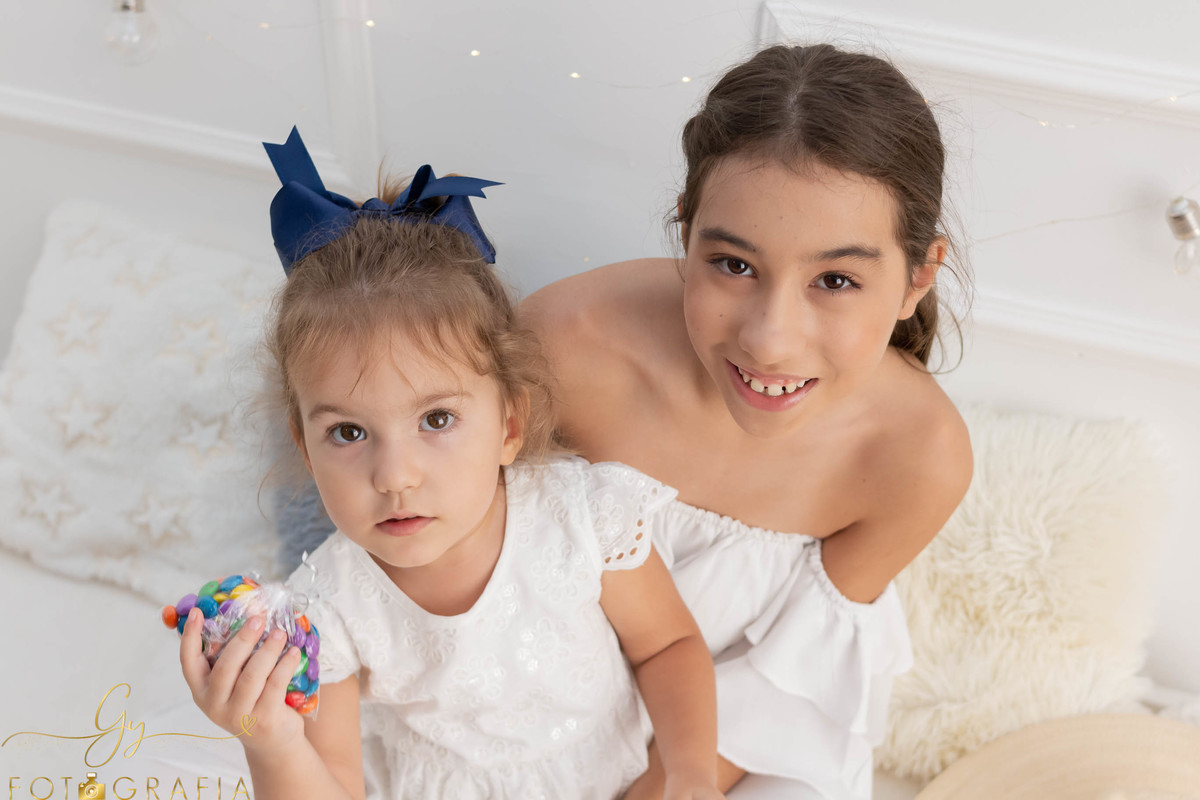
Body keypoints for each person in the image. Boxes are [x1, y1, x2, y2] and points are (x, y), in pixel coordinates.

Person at [176, 128, 725, 800]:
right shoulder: (331, 607)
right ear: (303, 446)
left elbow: (668, 648)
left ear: (510, 425)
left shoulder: (580, 516)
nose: (395, 475)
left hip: (619, 778)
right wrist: (272, 741)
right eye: (348, 431)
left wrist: (690, 772)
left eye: (436, 420)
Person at [520, 43, 974, 800]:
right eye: (733, 265)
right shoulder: (565, 348)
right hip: (539, 703)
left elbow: (783, 696)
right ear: (686, 232)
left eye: (836, 280)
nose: (769, 339)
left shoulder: (917, 455)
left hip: (749, 743)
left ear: (916, 279)